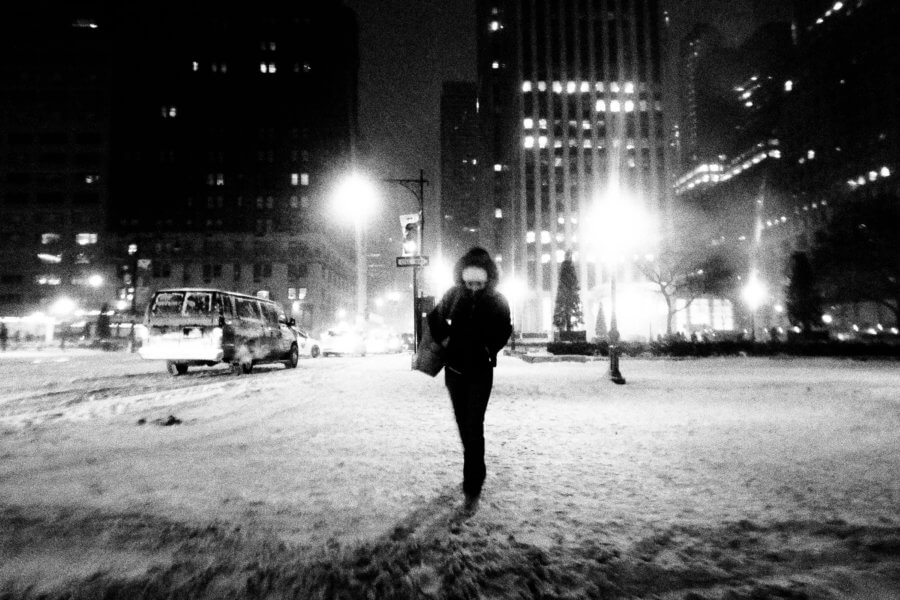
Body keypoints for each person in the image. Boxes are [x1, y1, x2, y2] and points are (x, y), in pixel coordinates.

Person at [426, 247, 512, 504]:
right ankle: (475, 470)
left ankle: (473, 481)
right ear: (462, 279)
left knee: (474, 425)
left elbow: (504, 329)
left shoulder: (498, 300)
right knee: (464, 425)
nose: (474, 288)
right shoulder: (453, 295)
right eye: (469, 283)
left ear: (488, 280)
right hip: (454, 372)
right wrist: (446, 340)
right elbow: (434, 318)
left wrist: (488, 348)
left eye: (479, 283)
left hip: (480, 372)